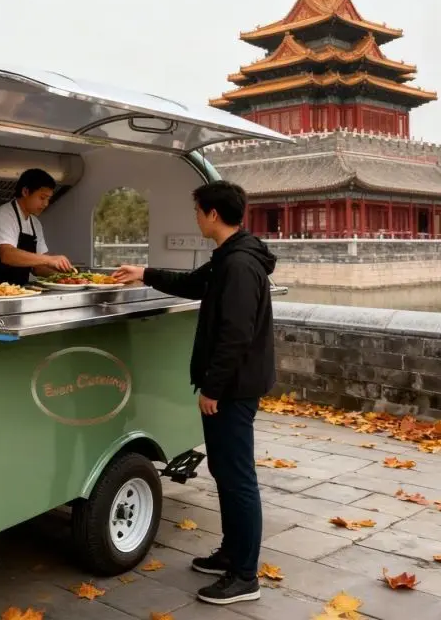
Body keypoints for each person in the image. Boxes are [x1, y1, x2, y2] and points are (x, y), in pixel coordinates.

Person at [114, 180, 276, 606]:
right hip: (232, 386)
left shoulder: (240, 265)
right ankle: (230, 554)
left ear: (213, 215)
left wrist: (213, 388)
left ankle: (244, 575)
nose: (196, 218)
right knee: (225, 471)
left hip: (233, 389)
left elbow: (236, 335)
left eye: (198, 212)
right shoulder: (230, 256)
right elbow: (193, 284)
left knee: (239, 479)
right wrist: (144, 273)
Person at [0, 169, 75, 286]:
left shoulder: (35, 223)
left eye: (48, 199)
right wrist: (50, 260)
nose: (46, 204)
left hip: (20, 291)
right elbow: (7, 255)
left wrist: (69, 277)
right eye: (42, 198)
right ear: (25, 192)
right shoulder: (2, 216)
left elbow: (38, 268)